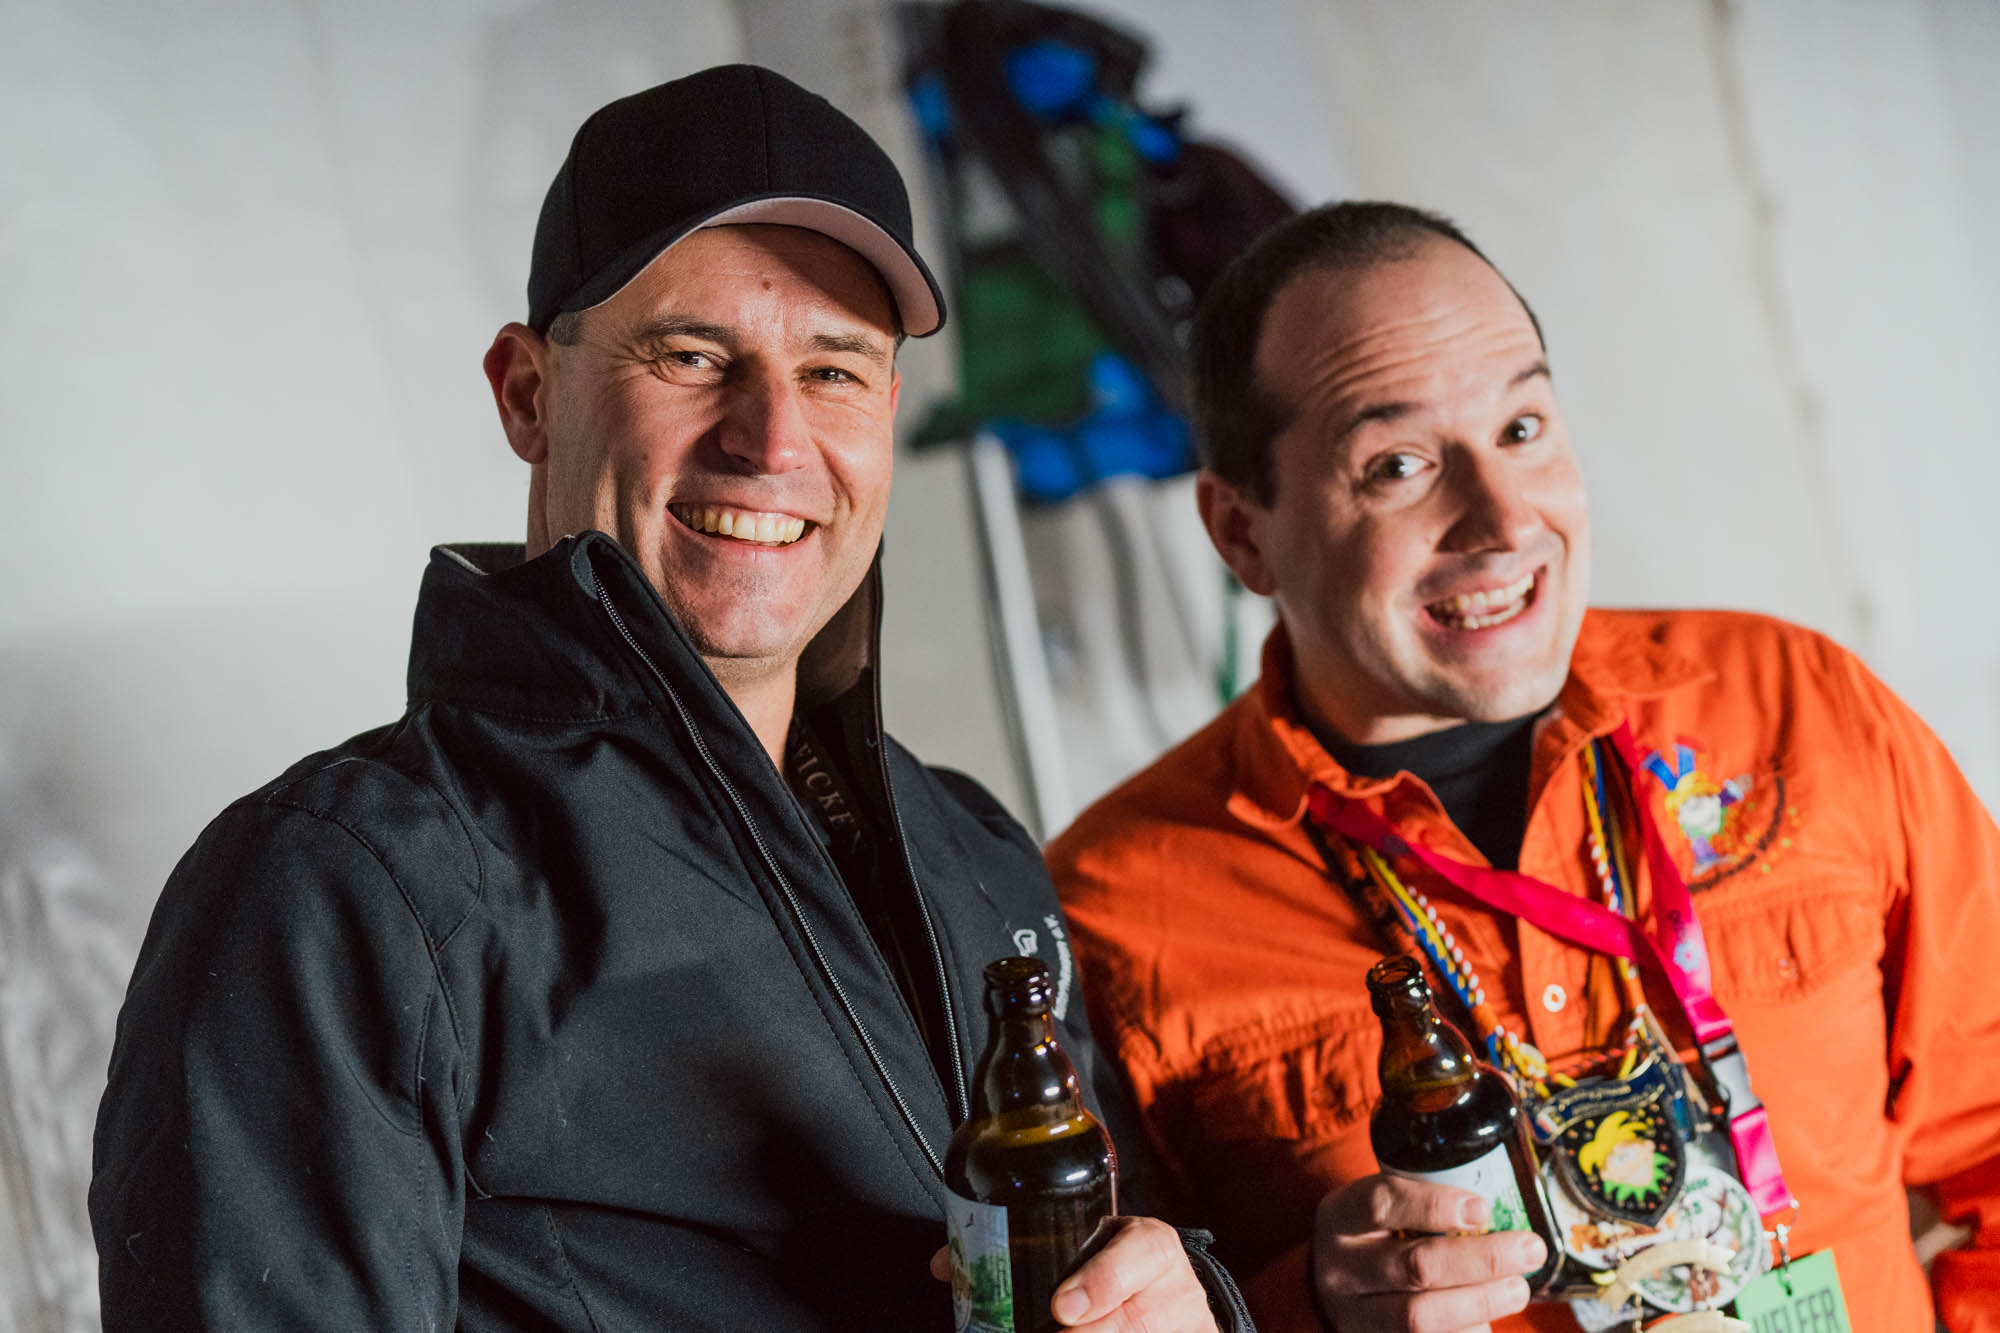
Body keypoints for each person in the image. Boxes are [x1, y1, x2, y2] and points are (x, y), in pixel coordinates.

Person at [90, 64, 1248, 1333]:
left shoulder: (973, 851)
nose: (771, 440)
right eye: (690, 355)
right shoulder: (343, 888)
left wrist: (1196, 1307)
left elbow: (1116, 1258)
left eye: (834, 370)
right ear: (527, 393)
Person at [1046, 201, 2000, 1332]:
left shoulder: (1796, 705)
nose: (1501, 521)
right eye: (1397, 464)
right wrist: (1301, 1306)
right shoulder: (1109, 911)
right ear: (1242, 532)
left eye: (1521, 427)